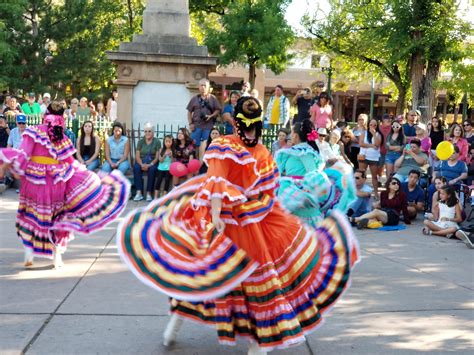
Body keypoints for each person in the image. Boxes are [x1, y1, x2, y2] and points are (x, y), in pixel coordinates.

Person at [116, 96, 359, 355]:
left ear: (236, 124)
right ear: (257, 125)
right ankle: (256, 344)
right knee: (256, 280)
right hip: (253, 222)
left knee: (208, 272)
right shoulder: (258, 152)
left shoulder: (227, 146)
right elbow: (256, 190)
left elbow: (217, 184)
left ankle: (178, 328)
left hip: (237, 221)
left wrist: (218, 215)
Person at [0, 102, 130, 268]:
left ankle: (29, 253)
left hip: (35, 180)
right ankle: (56, 256)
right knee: (57, 218)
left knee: (33, 215)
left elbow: (23, 155)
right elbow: (70, 161)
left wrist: (8, 162)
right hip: (56, 181)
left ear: (44, 115)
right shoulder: (62, 137)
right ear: (62, 117)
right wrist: (85, 174)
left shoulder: (33, 132)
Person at [276, 119, 356, 227]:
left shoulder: (304, 151)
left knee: (299, 226)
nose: (290, 135)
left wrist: (305, 190)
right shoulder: (297, 150)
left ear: (295, 135)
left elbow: (313, 172)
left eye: (292, 132)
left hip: (298, 193)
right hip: (290, 190)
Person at [187, 78, 221, 148]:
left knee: (208, 145)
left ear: (208, 87)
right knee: (193, 146)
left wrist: (211, 116)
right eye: (201, 85)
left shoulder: (213, 98)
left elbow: (218, 110)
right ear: (199, 87)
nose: (203, 87)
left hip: (208, 127)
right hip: (196, 126)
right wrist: (190, 124)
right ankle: (195, 159)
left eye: (205, 85)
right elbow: (189, 112)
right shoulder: (194, 99)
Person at [133, 123, 161, 202]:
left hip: (152, 162)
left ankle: (149, 193)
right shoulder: (141, 142)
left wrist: (150, 165)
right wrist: (141, 164)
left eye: (149, 131)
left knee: (152, 170)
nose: (147, 133)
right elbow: (137, 156)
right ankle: (139, 192)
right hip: (141, 161)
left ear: (153, 132)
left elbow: (157, 157)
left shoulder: (157, 142)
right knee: (136, 168)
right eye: (145, 131)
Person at [359, 118, 383, 199]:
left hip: (374, 158)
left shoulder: (378, 134)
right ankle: (360, 191)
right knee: (361, 175)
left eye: (375, 125)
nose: (372, 126)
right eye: (371, 125)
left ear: (377, 126)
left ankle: (376, 193)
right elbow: (361, 143)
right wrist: (371, 146)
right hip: (363, 156)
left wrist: (374, 134)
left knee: (374, 177)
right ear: (368, 125)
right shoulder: (364, 132)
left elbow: (377, 144)